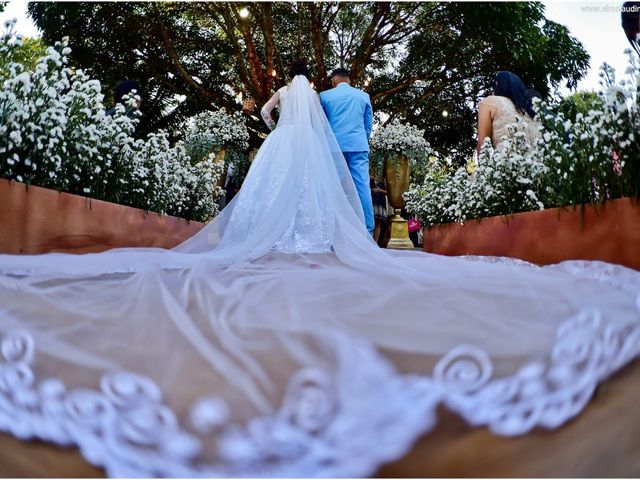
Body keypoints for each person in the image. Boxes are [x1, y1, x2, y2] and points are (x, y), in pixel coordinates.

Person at [0, 61, 638, 478]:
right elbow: (358, 125)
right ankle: (351, 235)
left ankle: (305, 234)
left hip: (301, 150)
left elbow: (271, 116)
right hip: (345, 153)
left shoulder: (298, 98)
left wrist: (274, 124)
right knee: (349, 200)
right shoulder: (357, 94)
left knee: (281, 196)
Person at [320, 67, 375, 235]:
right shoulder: (363, 96)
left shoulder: (324, 96)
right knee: (362, 187)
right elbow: (368, 125)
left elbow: (322, 124)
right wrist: (361, 138)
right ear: (349, 80)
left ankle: (333, 232)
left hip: (334, 147)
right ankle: (367, 231)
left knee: (333, 188)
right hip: (358, 145)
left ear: (333, 81)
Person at [476, 71, 539, 158]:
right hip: (541, 167)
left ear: (497, 84)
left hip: (508, 166)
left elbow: (483, 145)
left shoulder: (490, 102)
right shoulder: (531, 109)